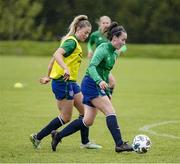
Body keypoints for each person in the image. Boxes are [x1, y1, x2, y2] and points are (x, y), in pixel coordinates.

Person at [50, 22, 133, 153]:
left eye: (125, 40)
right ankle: (120, 144)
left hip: (96, 85)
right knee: (110, 111)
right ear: (115, 38)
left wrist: (106, 90)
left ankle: (58, 135)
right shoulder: (102, 48)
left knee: (87, 121)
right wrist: (99, 81)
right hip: (90, 84)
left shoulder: (115, 53)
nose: (124, 43)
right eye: (122, 39)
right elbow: (92, 67)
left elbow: (105, 72)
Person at [30, 15, 101, 150]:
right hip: (63, 83)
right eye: (85, 32)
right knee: (66, 117)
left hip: (71, 83)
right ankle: (37, 137)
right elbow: (57, 54)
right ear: (77, 29)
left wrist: (48, 75)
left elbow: (53, 59)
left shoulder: (73, 42)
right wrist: (65, 68)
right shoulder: (71, 42)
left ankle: (85, 142)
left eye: (88, 33)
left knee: (85, 112)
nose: (86, 35)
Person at [87, 16, 127, 95]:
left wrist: (119, 51)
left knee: (111, 83)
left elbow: (123, 47)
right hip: (97, 62)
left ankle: (106, 99)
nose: (105, 24)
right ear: (100, 24)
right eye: (103, 23)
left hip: (106, 63)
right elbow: (90, 44)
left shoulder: (112, 34)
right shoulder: (95, 35)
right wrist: (90, 50)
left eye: (107, 23)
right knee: (108, 82)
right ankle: (104, 99)